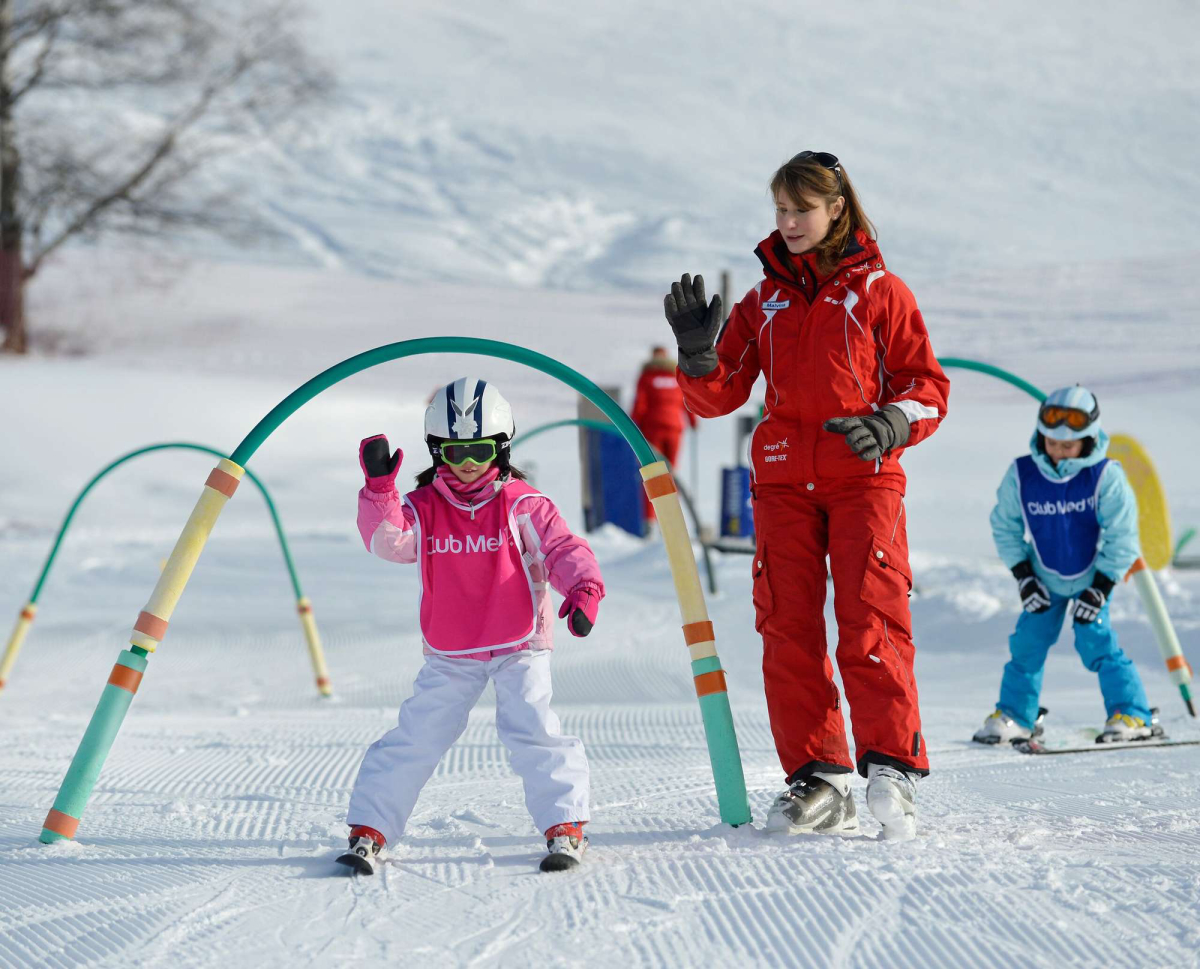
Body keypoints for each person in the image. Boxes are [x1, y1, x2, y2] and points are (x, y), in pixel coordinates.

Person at [662, 151, 949, 840]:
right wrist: (699, 355)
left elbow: (928, 389)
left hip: (862, 475)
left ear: (836, 209)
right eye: (780, 211)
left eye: (802, 210)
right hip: (786, 481)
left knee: (870, 616)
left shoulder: (884, 293)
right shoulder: (764, 302)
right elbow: (718, 395)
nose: (788, 223)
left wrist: (888, 422)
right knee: (786, 625)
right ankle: (820, 775)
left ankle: (891, 768)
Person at [340, 377, 605, 874]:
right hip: (453, 647)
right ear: (437, 449)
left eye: (479, 450)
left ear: (501, 447)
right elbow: (388, 542)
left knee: (532, 727)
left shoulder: (523, 503)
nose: (467, 462)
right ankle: (370, 829)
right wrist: (380, 491)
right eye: (455, 450)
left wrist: (584, 589)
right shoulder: (421, 508)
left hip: (519, 641)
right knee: (417, 734)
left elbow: (562, 549)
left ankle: (564, 825)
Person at [974, 385, 1151, 745]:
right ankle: (1016, 715)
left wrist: (1101, 588)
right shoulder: (1022, 474)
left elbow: (1123, 535)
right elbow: (1004, 526)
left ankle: (1132, 714)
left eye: (1068, 446)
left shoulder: (1105, 476)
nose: (1057, 452)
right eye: (1051, 442)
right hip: (1043, 579)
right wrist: (1024, 577)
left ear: (1087, 441)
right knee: (1027, 645)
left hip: (1091, 579)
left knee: (1097, 643)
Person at [630, 345, 697, 520]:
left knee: (652, 473)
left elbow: (640, 405)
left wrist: (631, 426)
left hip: (652, 430)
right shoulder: (676, 376)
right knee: (670, 472)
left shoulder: (647, 377)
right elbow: (688, 401)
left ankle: (651, 518)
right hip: (675, 429)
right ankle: (672, 517)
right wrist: (693, 421)